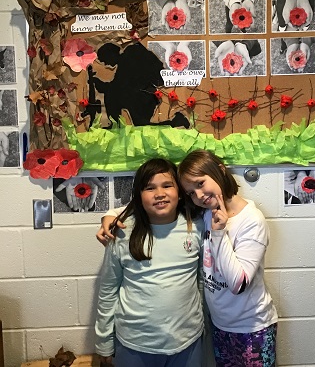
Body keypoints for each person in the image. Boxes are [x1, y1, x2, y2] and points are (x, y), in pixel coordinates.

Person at [95, 158, 204, 367]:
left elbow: (201, 283)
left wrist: (205, 328)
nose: (159, 193)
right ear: (139, 195)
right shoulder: (122, 233)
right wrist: (104, 342)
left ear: (180, 191)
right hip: (134, 345)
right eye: (149, 188)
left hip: (188, 343)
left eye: (167, 185)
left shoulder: (196, 226)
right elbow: (108, 290)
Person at [177, 150, 278, 367]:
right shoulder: (206, 212)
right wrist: (111, 214)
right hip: (221, 326)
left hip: (252, 329)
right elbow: (158, 206)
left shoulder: (251, 220)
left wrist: (219, 233)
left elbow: (238, 284)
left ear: (220, 171)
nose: (199, 195)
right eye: (191, 192)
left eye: (201, 183)